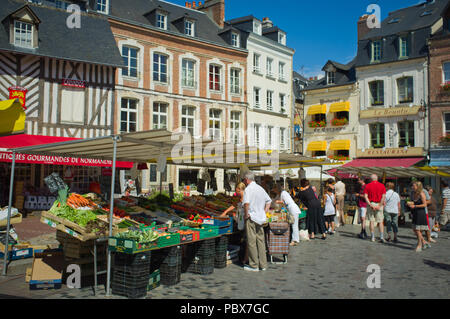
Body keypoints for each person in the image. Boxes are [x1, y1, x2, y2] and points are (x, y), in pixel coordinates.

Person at [242, 171, 272, 272]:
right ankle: (263, 264)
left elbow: (246, 204)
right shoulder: (260, 188)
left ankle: (254, 265)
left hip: (252, 217)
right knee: (260, 240)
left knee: (251, 242)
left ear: (246, 179)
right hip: (260, 218)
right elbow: (269, 201)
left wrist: (246, 215)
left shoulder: (248, 189)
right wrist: (264, 212)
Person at [220, 183, 248, 264]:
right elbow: (234, 205)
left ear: (240, 189)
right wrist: (225, 212)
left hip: (244, 220)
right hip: (240, 220)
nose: (236, 193)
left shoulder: (246, 198)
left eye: (236, 191)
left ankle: (244, 258)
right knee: (243, 238)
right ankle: (242, 257)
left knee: (245, 240)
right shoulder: (240, 198)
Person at [407, 181, 431, 252]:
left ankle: (419, 244)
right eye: (412, 186)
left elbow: (424, 204)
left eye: (414, 186)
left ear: (418, 187)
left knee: (417, 229)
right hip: (415, 212)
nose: (412, 187)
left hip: (421, 213)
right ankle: (424, 242)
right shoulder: (413, 193)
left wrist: (414, 206)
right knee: (415, 229)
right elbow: (415, 202)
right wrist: (410, 203)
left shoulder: (421, 193)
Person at [364, 174, 387, 243]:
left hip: (371, 203)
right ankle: (381, 237)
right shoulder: (382, 185)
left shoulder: (367, 185)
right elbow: (383, 196)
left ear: (371, 179)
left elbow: (365, 196)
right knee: (380, 222)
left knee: (372, 221)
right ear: (377, 179)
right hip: (379, 204)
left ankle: (373, 237)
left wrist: (370, 204)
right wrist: (379, 205)